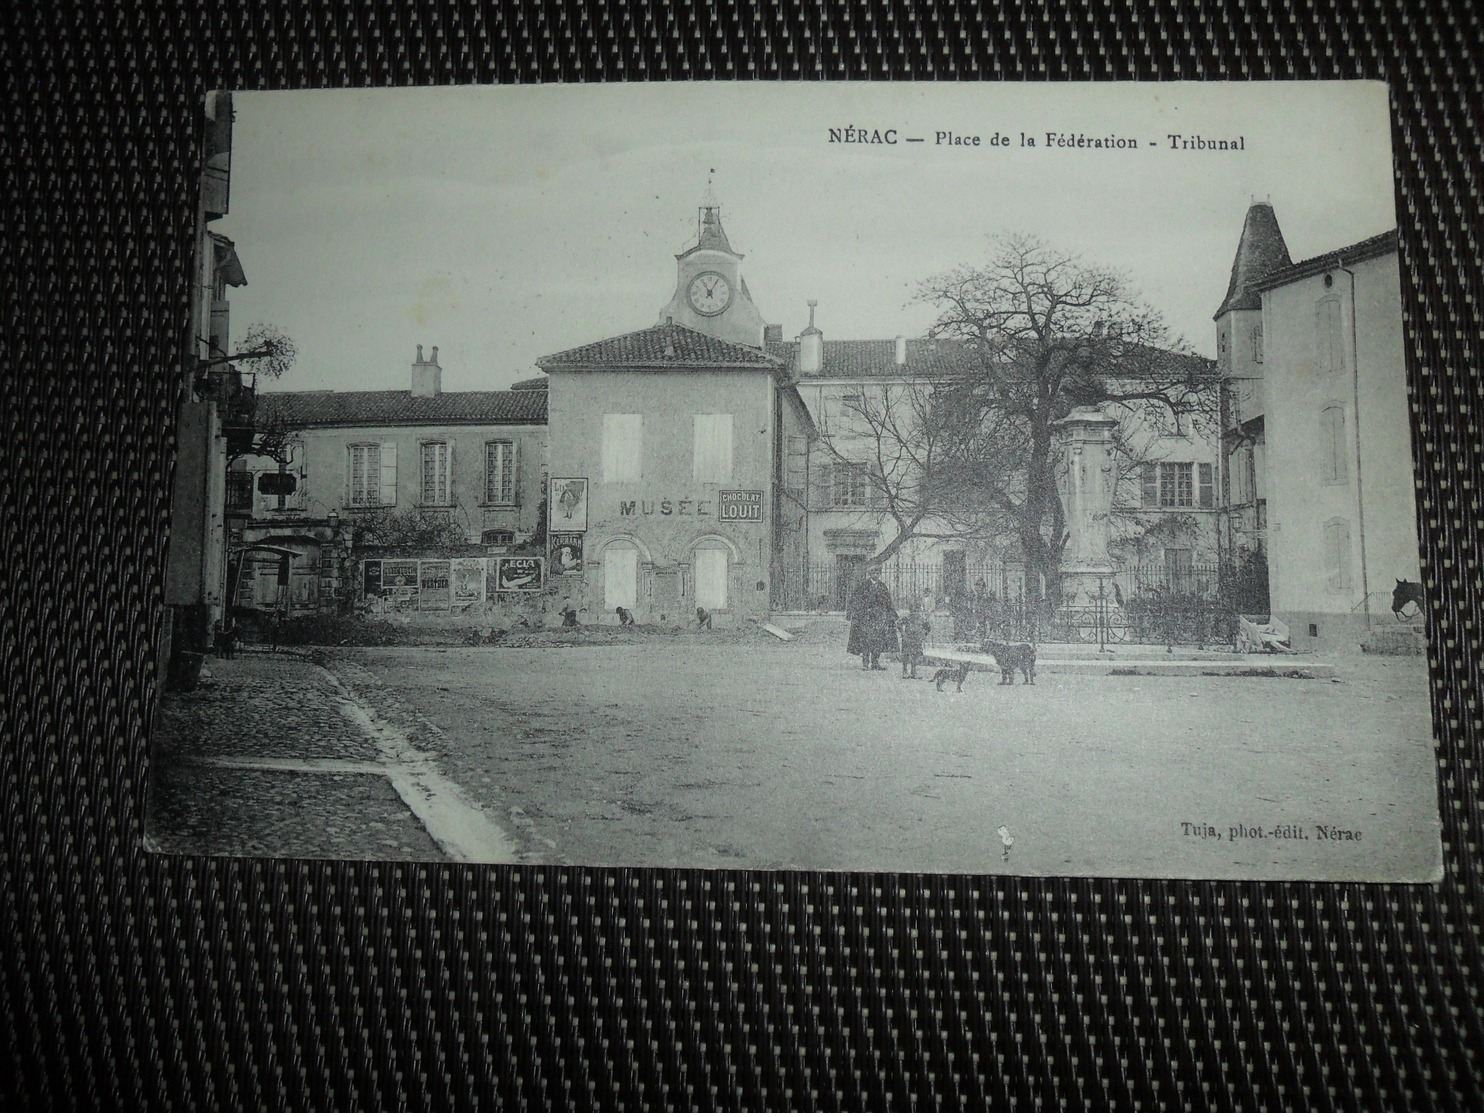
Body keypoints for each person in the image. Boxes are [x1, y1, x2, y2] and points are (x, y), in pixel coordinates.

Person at [846, 564, 899, 670]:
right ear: (870, 574)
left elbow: (888, 601)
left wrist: (892, 614)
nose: (876, 575)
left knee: (878, 640)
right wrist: (853, 612)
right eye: (873, 573)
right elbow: (856, 599)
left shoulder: (882, 586)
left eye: (877, 573)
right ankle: (865, 663)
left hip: (879, 618)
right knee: (866, 640)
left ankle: (875, 663)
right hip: (866, 618)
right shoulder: (863, 585)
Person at [897, 603, 931, 679]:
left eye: (917, 610)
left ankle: (913, 671)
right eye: (914, 611)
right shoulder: (907, 618)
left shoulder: (922, 619)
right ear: (910, 611)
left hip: (917, 639)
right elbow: (898, 624)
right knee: (906, 654)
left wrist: (923, 635)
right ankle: (905, 671)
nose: (916, 613)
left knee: (916, 655)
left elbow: (928, 627)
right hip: (907, 639)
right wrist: (903, 633)